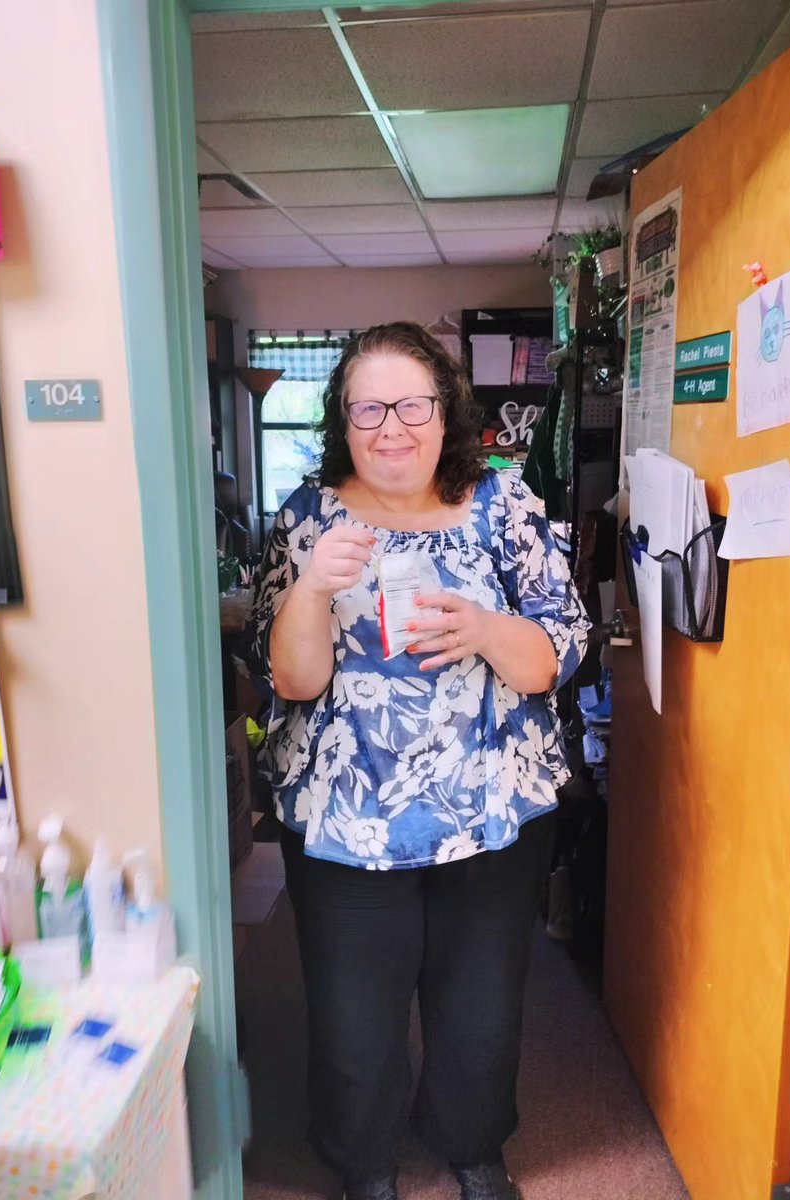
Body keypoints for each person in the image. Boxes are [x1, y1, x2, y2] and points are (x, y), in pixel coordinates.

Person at [240, 322, 589, 1200]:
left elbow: (553, 653)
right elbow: (292, 676)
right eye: (368, 407)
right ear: (343, 420)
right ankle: (363, 1162)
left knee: (480, 1012)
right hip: (348, 821)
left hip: (492, 812)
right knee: (355, 1023)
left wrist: (481, 627)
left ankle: (473, 1146)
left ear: (445, 411)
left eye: (412, 405)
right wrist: (315, 584)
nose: (391, 427)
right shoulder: (306, 518)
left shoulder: (502, 507)